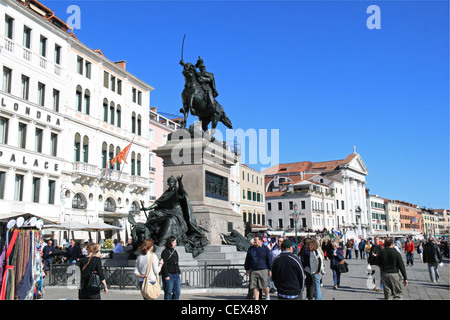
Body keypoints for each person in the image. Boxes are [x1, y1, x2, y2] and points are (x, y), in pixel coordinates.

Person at [244, 235, 273, 300]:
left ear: (260, 241)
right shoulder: (251, 249)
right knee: (254, 286)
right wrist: (247, 269)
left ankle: (267, 296)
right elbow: (248, 259)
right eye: (254, 240)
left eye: (256, 240)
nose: (254, 241)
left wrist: (270, 269)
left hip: (263, 269)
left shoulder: (265, 249)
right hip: (253, 270)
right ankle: (256, 299)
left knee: (264, 285)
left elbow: (269, 259)